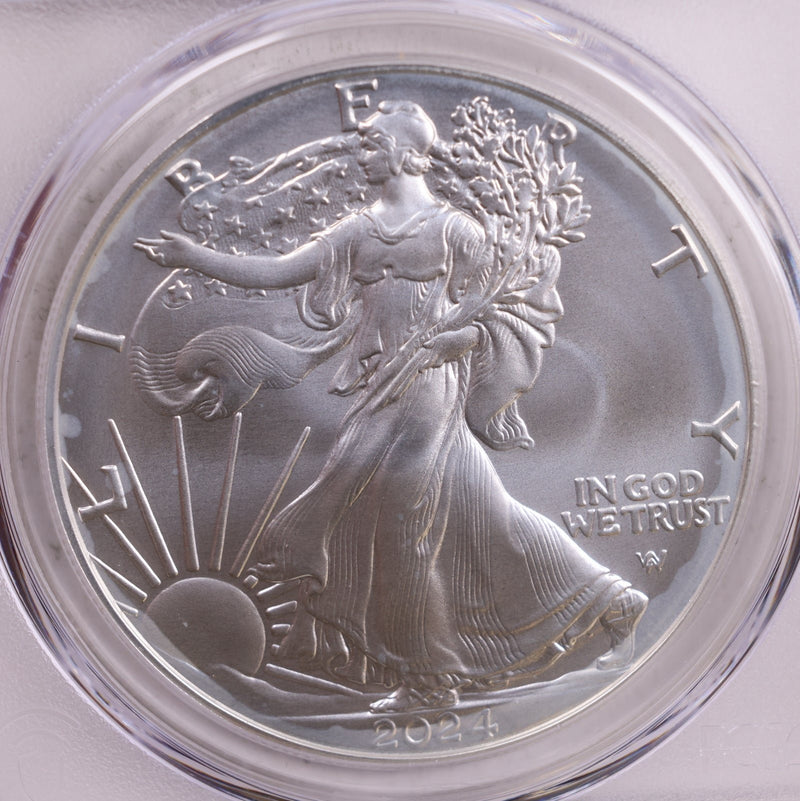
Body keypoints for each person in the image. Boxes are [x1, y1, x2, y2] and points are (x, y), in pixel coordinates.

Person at [136, 100, 647, 713]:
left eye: (373, 143)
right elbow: (277, 271)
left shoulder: (458, 231)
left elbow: (510, 310)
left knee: (402, 531)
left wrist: (462, 339)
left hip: (428, 391)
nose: (362, 152)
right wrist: (194, 256)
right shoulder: (357, 230)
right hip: (378, 390)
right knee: (487, 517)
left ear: (407, 154)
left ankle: (431, 679)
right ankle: (612, 602)